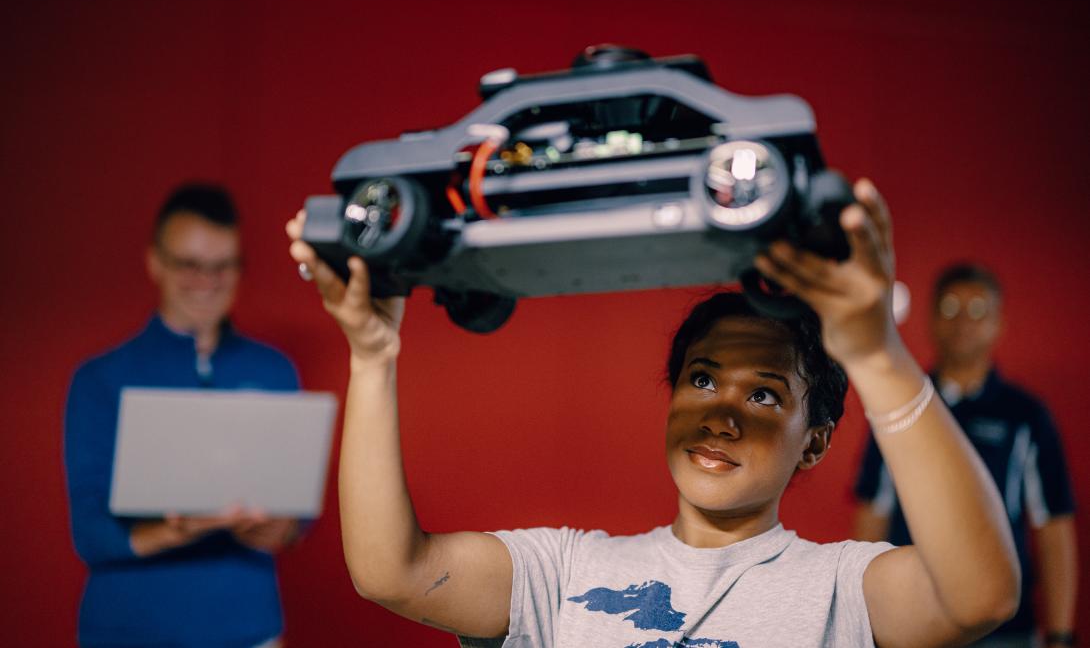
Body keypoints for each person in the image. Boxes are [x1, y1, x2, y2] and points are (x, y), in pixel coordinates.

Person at [288, 179, 1020, 647]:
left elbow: (983, 593)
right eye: (703, 379)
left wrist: (880, 355)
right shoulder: (564, 568)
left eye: (764, 394)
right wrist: (373, 356)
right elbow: (392, 571)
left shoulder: (842, 588)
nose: (722, 415)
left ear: (815, 443)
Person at [65, 183, 302, 648]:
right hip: (127, 629)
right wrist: (175, 530)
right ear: (155, 262)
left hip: (248, 627)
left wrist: (277, 527)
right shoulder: (100, 379)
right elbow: (89, 533)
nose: (206, 280)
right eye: (189, 264)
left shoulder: (274, 370)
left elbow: (295, 519)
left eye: (222, 266)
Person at [854, 263, 1078, 648]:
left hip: (1005, 628)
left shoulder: (1025, 415)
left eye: (977, 311)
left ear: (998, 323)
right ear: (930, 319)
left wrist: (1060, 632)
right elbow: (873, 513)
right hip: (913, 621)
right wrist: (859, 620)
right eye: (950, 308)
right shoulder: (900, 407)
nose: (963, 322)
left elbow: (1053, 525)